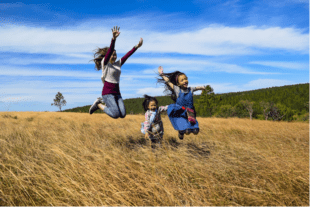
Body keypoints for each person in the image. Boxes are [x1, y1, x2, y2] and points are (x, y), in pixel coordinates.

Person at [89, 26, 143, 118]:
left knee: (122, 114)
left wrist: (136, 46)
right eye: (112, 55)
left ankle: (101, 105)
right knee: (115, 114)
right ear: (108, 55)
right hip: (107, 93)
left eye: (115, 55)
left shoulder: (118, 64)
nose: (114, 56)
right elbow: (110, 50)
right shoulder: (105, 63)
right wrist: (113, 39)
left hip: (117, 93)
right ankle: (98, 105)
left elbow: (127, 55)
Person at [157, 66, 207, 140]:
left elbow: (197, 87)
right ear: (178, 83)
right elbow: (168, 81)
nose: (185, 81)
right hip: (180, 110)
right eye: (182, 80)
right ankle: (181, 132)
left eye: (186, 79)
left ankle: (189, 129)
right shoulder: (177, 89)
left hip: (190, 111)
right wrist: (162, 74)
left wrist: (203, 87)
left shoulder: (191, 89)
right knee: (186, 130)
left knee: (196, 131)